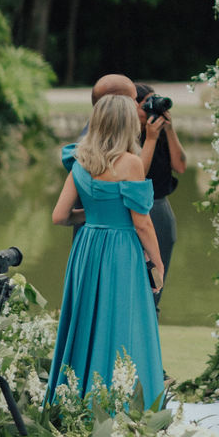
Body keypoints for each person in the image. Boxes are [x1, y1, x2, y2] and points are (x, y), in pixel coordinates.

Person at [46, 94, 165, 408]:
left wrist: (94, 215)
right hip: (121, 251)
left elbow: (59, 216)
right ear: (127, 125)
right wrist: (157, 261)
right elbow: (143, 224)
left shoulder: (80, 158)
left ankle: (75, 398)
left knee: (86, 321)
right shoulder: (130, 162)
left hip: (88, 249)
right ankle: (120, 405)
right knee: (124, 320)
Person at [61, 73, 139, 229]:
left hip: (88, 237)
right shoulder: (94, 149)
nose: (138, 105)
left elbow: (59, 216)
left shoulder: (93, 141)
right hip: (111, 234)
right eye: (134, 99)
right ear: (118, 102)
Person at [135, 82, 187, 306]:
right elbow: (135, 177)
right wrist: (150, 138)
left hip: (160, 208)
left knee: (156, 279)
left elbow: (181, 166)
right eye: (146, 104)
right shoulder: (128, 138)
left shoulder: (159, 133)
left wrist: (169, 128)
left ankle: (152, 313)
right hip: (138, 209)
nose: (151, 109)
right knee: (137, 277)